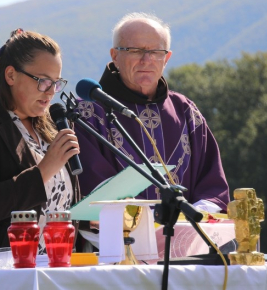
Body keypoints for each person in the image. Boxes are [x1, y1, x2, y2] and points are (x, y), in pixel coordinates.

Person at [0, 29, 81, 268]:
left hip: (57, 271)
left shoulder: (50, 126)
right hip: (2, 274)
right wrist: (42, 172)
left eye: (56, 82)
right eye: (42, 81)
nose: (51, 91)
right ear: (11, 75)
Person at [75, 12, 230, 213]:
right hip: (117, 239)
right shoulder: (87, 113)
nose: (146, 59)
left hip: (184, 237)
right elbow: (91, 187)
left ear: (166, 58)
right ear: (115, 56)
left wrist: (192, 218)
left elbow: (212, 185)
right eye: (135, 50)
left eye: (156, 52)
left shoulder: (185, 111)